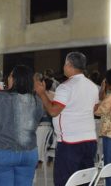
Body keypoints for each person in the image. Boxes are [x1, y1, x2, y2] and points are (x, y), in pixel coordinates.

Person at [35, 52, 99, 186]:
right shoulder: (92, 86)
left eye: (64, 64)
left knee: (65, 182)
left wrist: (41, 93)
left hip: (70, 142)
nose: (64, 67)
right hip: (90, 140)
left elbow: (52, 111)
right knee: (84, 180)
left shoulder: (66, 86)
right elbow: (93, 109)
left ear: (69, 65)